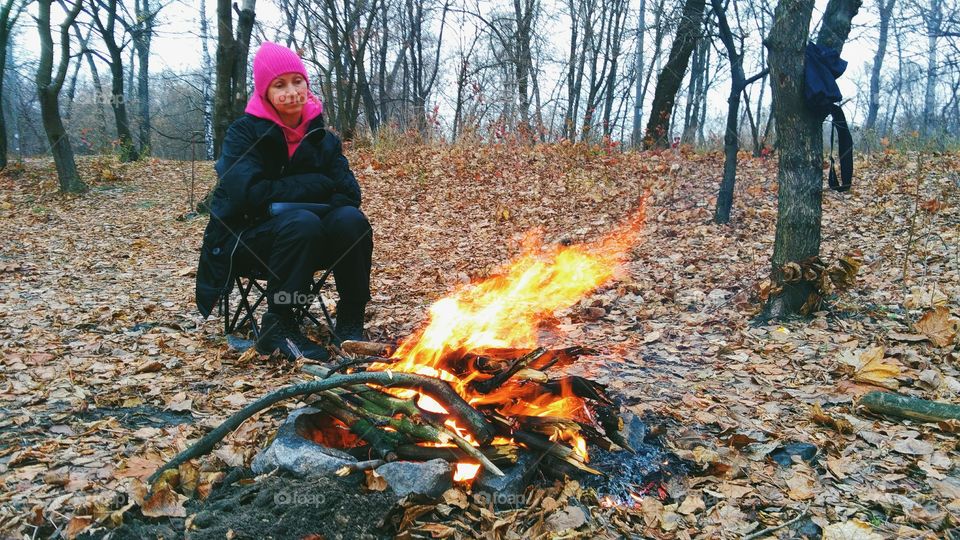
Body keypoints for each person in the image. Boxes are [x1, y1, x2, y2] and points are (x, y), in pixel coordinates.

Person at [195, 41, 373, 362]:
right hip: (246, 240)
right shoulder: (243, 134)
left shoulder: (323, 137)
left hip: (308, 238)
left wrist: (288, 193)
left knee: (351, 221)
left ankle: (350, 319)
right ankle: (280, 324)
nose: (291, 91)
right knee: (302, 223)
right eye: (279, 85)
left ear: (307, 84)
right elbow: (248, 196)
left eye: (297, 81)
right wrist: (315, 185)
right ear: (265, 92)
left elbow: (349, 194)